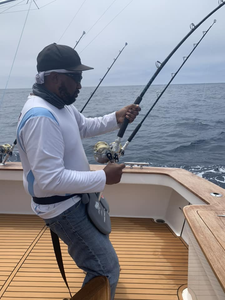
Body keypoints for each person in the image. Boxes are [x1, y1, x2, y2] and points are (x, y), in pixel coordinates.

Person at [17, 43, 140, 299]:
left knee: (102, 265)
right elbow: (50, 181)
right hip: (61, 208)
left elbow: (83, 126)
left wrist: (117, 117)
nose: (80, 85)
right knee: (106, 269)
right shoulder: (40, 116)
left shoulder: (61, 106)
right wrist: (103, 177)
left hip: (75, 198)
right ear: (54, 78)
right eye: (75, 78)